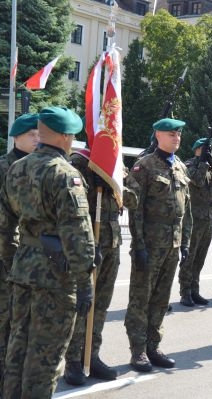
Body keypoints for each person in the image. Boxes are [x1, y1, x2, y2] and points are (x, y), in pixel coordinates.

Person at [0, 106, 95, 398]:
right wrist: (85, 285)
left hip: (23, 271)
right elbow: (78, 235)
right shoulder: (66, 174)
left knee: (17, 351)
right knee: (46, 360)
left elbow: (5, 226)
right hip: (56, 277)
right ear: (66, 137)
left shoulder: (18, 168)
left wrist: (12, 263)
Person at [63, 149, 138, 385]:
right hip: (90, 244)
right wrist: (91, 181)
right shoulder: (79, 162)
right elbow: (72, 204)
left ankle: (92, 355)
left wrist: (113, 183)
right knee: (83, 306)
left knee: (101, 305)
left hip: (112, 244)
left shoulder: (114, 163)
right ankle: (74, 361)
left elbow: (133, 200)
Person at [125, 117, 192, 372]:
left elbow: (186, 211)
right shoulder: (144, 166)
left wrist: (184, 243)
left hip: (172, 246)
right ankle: (138, 351)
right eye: (171, 134)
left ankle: (153, 346)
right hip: (150, 246)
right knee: (141, 299)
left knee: (161, 299)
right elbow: (135, 211)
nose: (176, 138)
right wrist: (139, 245)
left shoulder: (181, 168)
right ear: (157, 135)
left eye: (178, 134)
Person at [0, 112, 39, 390]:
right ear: (17, 138)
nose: (38, 139)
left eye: (40, 134)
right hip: (7, 257)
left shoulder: (36, 167)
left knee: (21, 320)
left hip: (29, 260)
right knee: (5, 317)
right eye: (31, 135)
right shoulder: (5, 167)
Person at [178, 138, 212, 306]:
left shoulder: (211, 166)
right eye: (205, 149)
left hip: (208, 218)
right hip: (193, 218)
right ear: (197, 150)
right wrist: (204, 163)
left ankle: (194, 290)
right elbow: (197, 181)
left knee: (200, 256)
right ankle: (185, 292)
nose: (208, 152)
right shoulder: (189, 165)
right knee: (190, 256)